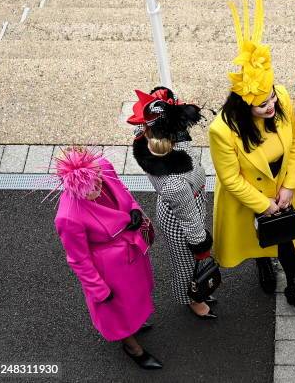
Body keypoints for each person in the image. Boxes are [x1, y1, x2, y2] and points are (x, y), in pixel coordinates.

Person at [209, 0, 295, 324]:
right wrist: (265, 204)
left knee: (290, 246)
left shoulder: (281, 96)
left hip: (282, 190)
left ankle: (294, 287)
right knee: (260, 238)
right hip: (250, 198)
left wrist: (288, 186)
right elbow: (230, 179)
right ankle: (262, 265)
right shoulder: (223, 130)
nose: (271, 106)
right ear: (242, 105)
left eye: (271, 99)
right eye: (261, 105)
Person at [53, 147, 162, 369]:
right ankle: (132, 347)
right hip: (109, 269)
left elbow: (123, 191)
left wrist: (134, 209)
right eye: (92, 188)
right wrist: (99, 290)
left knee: (136, 296)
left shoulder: (101, 167)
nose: (99, 186)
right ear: (76, 189)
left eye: (98, 180)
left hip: (131, 252)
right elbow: (78, 259)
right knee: (117, 310)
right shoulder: (67, 217)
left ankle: (135, 324)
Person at [128, 86, 217, 320]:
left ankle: (197, 291)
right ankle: (191, 298)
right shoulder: (173, 184)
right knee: (186, 264)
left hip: (185, 204)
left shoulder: (147, 139)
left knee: (187, 262)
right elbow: (190, 221)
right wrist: (201, 246)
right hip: (181, 219)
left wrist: (164, 101)